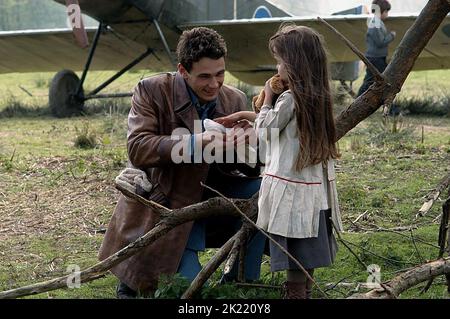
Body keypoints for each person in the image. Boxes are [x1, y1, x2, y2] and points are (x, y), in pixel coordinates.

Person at [98, 27, 266, 298]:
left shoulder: (234, 98)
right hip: (169, 201)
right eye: (205, 76)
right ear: (183, 71)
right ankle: (133, 282)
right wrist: (195, 142)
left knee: (265, 193)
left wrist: (249, 144)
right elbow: (138, 147)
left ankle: (240, 285)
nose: (214, 84)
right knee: (187, 291)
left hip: (216, 195)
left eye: (220, 74)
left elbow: (245, 168)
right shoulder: (151, 89)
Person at [216, 24, 344, 299]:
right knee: (307, 252)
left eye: (280, 61)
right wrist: (246, 115)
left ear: (295, 63)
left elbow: (267, 132)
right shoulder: (315, 96)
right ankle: (305, 294)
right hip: (312, 193)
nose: (277, 69)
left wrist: (267, 100)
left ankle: (295, 296)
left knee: (295, 252)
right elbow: (286, 129)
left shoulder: (288, 97)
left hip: (293, 193)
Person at [357, 0, 396, 98]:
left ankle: (358, 100)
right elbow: (380, 42)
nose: (387, 14)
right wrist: (391, 35)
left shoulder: (377, 22)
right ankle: (358, 101)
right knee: (373, 80)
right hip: (375, 58)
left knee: (371, 80)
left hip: (377, 57)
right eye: (386, 11)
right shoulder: (375, 23)